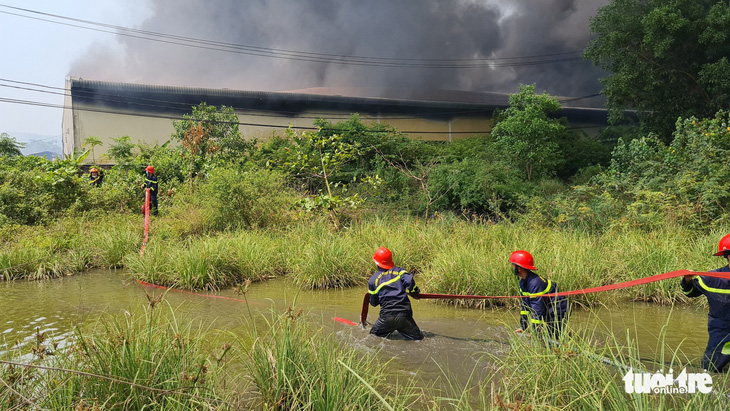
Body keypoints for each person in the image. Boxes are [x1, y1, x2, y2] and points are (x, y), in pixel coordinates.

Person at [681, 233, 730, 372]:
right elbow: (690, 293)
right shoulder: (712, 279)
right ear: (727, 255)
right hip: (721, 332)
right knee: (709, 370)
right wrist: (687, 281)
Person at [368, 246, 423, 340]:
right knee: (418, 339)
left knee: (373, 336)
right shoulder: (400, 271)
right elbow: (409, 280)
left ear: (376, 263)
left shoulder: (373, 281)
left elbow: (373, 303)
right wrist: (414, 291)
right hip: (405, 316)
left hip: (386, 317)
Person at [510, 250, 568, 339]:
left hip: (558, 310)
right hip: (548, 309)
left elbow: (537, 309)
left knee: (552, 338)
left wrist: (535, 332)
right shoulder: (523, 282)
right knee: (543, 336)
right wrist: (523, 327)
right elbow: (525, 307)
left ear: (519, 268)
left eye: (513, 265)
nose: (512, 267)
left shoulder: (535, 283)